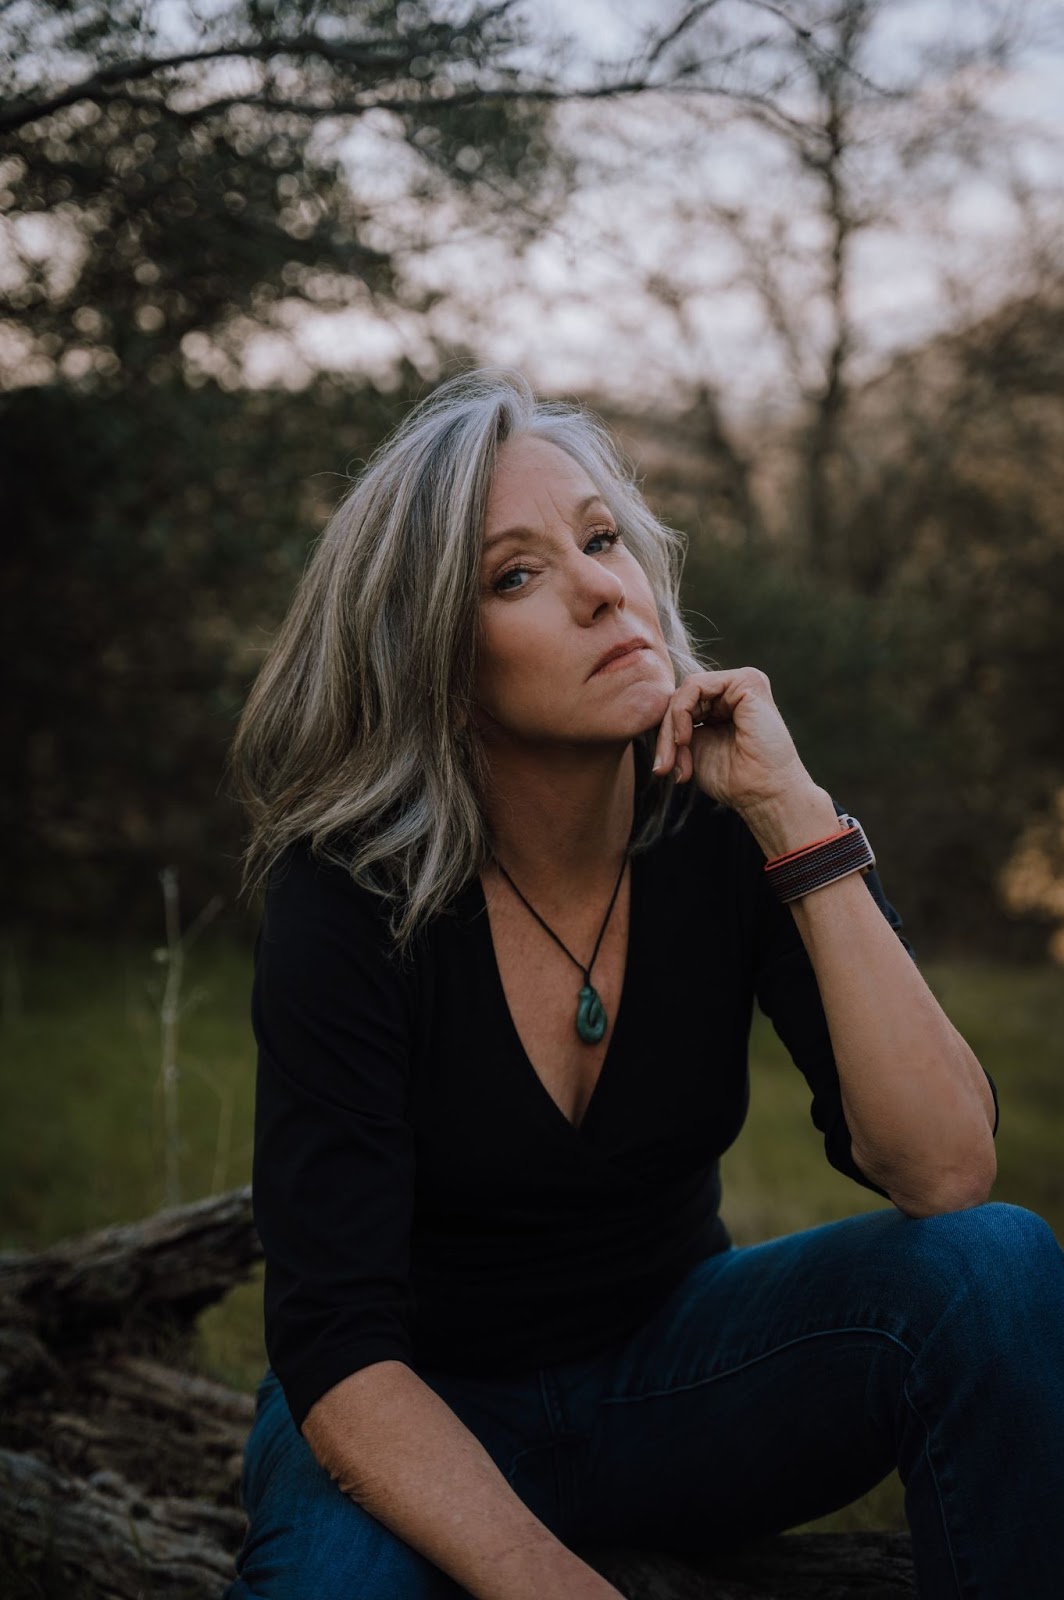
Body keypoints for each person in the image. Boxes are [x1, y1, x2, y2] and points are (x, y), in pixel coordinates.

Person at [224, 367, 1063, 1600]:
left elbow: (941, 1170)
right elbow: (338, 1344)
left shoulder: (729, 823)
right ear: (434, 663)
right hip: (409, 1405)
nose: (601, 587)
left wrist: (792, 817)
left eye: (602, 538)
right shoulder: (345, 897)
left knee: (993, 1267)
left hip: (676, 1383)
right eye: (517, 575)